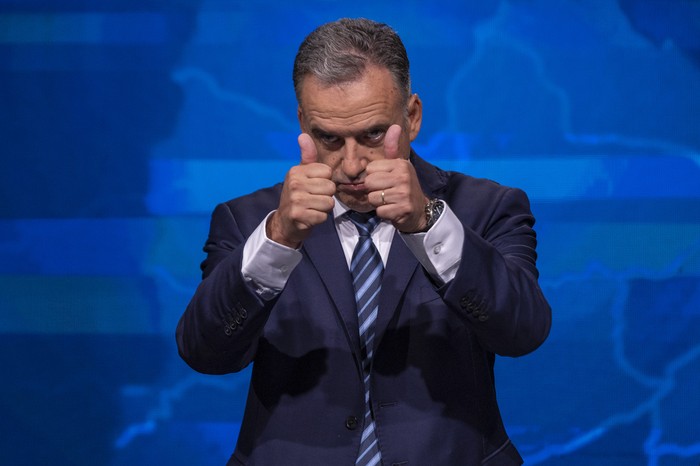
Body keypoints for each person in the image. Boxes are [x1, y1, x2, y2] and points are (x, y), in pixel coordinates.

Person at [177, 18, 551, 466]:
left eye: (373, 134)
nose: (350, 165)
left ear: (411, 117)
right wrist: (278, 240)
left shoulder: (486, 208)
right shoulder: (250, 222)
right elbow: (205, 353)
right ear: (302, 122)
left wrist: (426, 223)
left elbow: (522, 332)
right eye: (328, 138)